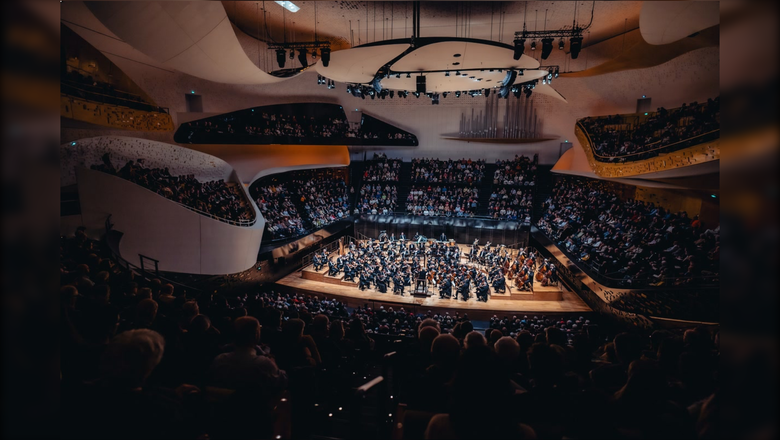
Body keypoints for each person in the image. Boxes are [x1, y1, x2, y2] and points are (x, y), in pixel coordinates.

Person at [208, 316, 288, 393]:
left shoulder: (219, 360)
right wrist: (273, 363)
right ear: (256, 335)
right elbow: (283, 382)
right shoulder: (264, 364)